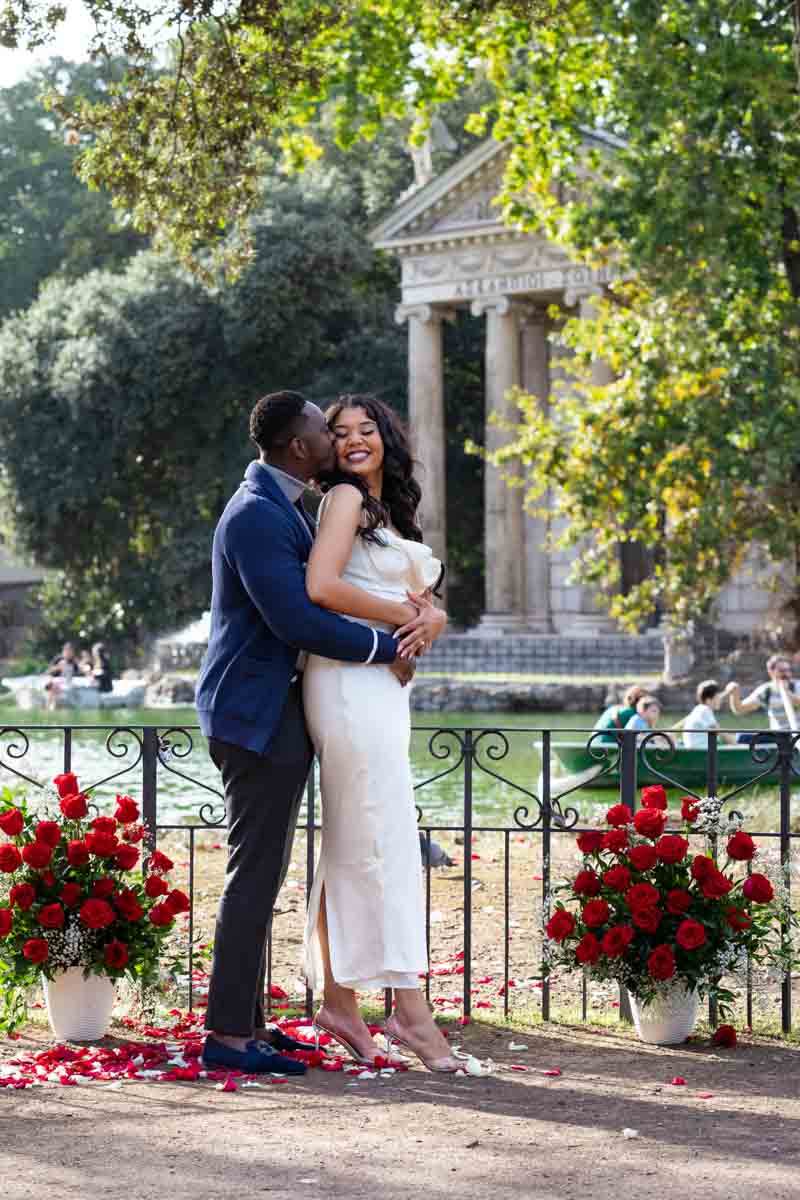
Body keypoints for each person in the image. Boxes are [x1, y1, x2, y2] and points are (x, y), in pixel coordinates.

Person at [195, 391, 442, 1078]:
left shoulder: (285, 505)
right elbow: (295, 620)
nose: (333, 436)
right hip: (254, 715)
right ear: (299, 446)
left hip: (276, 711)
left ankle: (248, 1024)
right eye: (320, 426)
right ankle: (227, 1038)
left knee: (267, 871)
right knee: (252, 876)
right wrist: (384, 645)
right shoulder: (255, 516)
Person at [301, 393, 459, 1073]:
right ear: (327, 447)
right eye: (341, 433)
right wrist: (406, 612)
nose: (356, 440)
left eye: (368, 429)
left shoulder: (383, 512)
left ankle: (339, 1000)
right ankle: (410, 1012)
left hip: (380, 689)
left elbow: (424, 607)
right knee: (383, 840)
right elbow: (321, 585)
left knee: (359, 839)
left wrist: (436, 620)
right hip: (347, 682)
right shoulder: (341, 502)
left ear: (387, 439)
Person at [727, 653, 800, 739]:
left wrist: (788, 694)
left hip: (797, 734)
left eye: (788, 670)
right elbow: (739, 709)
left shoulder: (797, 685)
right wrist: (734, 694)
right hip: (779, 737)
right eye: (782, 671)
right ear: (771, 671)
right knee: (741, 737)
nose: (787, 674)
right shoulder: (766, 691)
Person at [677, 680, 737, 750]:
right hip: (700, 752)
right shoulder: (705, 710)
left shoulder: (699, 709)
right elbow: (719, 731)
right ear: (708, 700)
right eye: (717, 697)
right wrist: (737, 745)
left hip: (698, 750)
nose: (720, 700)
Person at [43, 642, 78, 710]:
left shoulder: (74, 662)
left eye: (70, 651)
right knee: (53, 686)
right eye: (67, 650)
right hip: (56, 681)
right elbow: (48, 671)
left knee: (55, 687)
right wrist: (58, 667)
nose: (68, 653)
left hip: (67, 682)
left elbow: (77, 673)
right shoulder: (58, 659)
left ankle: (51, 707)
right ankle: (50, 706)